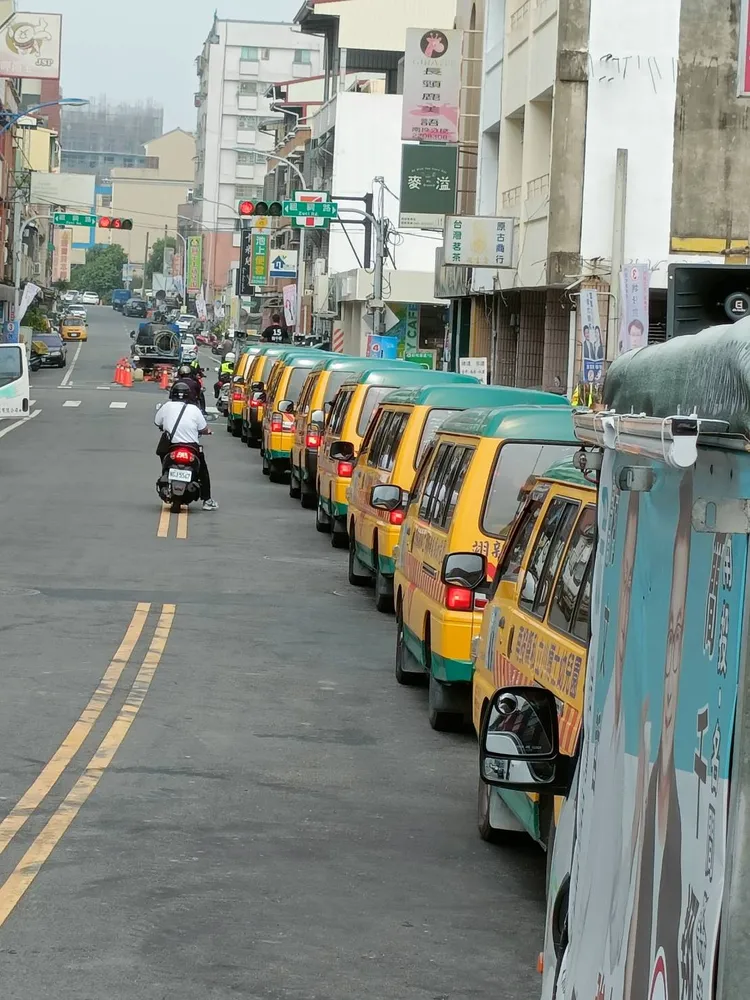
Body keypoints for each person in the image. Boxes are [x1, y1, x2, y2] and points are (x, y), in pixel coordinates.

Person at [155, 381, 218, 511]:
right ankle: (207, 500)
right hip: (192, 447)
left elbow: (157, 421)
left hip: (172, 446)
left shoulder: (167, 406)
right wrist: (207, 431)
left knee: (163, 455)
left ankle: (166, 476)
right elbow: (203, 428)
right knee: (203, 471)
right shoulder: (194, 410)